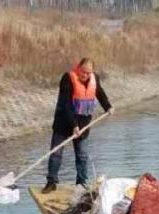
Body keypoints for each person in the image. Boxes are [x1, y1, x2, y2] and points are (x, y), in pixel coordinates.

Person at [42, 58, 113, 193]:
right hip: (63, 123)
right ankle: (51, 182)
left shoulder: (94, 79)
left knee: (82, 155)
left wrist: (108, 107)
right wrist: (74, 125)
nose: (85, 75)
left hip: (83, 124)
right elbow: (67, 104)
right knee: (56, 153)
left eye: (88, 73)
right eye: (83, 72)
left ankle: (81, 182)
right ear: (78, 68)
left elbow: (100, 93)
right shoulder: (67, 78)